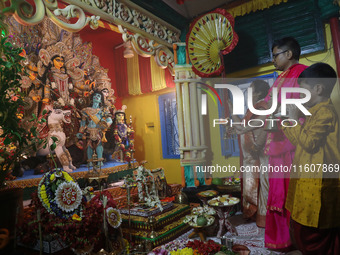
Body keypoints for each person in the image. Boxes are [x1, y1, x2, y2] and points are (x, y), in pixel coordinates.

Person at [283, 63, 340, 254]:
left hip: (319, 181)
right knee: (301, 228)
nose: (300, 94)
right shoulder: (314, 112)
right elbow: (300, 141)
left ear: (318, 88)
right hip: (306, 177)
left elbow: (309, 143)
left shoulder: (325, 112)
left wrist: (292, 119)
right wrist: (287, 121)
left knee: (312, 232)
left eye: (303, 90)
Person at [264, 37, 307, 250]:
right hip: (278, 144)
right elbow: (269, 105)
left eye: (275, 55)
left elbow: (309, 108)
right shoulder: (280, 79)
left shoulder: (304, 73)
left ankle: (302, 242)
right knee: (278, 192)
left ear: (288, 54)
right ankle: (283, 240)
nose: (273, 60)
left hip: (296, 145)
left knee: (295, 192)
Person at [228, 80, 270, 227]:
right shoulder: (252, 109)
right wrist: (232, 110)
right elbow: (243, 128)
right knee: (255, 189)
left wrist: (256, 147)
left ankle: (263, 222)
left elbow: (259, 132)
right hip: (249, 158)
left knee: (261, 190)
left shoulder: (261, 107)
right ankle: (256, 218)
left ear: (258, 93)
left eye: (250, 90)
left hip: (257, 157)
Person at [78, 90, 113, 166]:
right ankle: (90, 161)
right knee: (89, 146)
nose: (96, 97)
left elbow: (110, 120)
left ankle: (100, 161)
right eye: (95, 96)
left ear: (101, 100)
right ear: (92, 98)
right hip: (89, 130)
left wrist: (104, 125)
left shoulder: (103, 110)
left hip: (98, 130)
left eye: (99, 96)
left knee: (99, 145)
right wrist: (80, 131)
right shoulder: (86, 110)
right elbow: (83, 122)